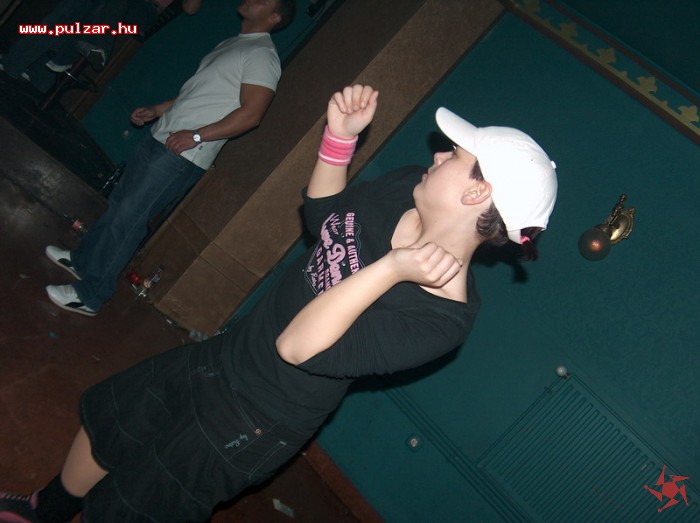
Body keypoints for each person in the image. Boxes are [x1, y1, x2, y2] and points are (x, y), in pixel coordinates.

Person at [0, 84, 558, 522]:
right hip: (228, 352)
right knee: (112, 422)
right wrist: (337, 140)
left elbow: (298, 346)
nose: (437, 155)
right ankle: (45, 511)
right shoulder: (405, 186)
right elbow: (323, 219)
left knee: (134, 507)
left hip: (255, 416)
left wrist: (391, 269)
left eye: (454, 155)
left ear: (477, 192)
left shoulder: (440, 317)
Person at [43, 0, 297, 316]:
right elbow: (196, 94)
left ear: (274, 17)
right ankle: (83, 261)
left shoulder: (263, 55)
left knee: (129, 219)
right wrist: (158, 110)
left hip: (183, 153)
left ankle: (91, 294)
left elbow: (251, 114)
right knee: (119, 206)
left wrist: (197, 136)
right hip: (163, 138)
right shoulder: (234, 43)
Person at [0, 0, 203, 92]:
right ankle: (55, 64)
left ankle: (19, 63)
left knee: (77, 10)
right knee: (75, 7)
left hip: (144, 10)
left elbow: (191, 9)